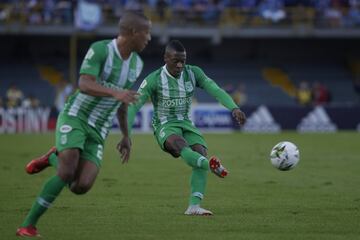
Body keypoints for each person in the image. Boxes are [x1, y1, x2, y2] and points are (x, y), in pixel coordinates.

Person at [16, 11, 151, 237]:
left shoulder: (136, 64)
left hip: (99, 129)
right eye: (146, 33)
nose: (149, 38)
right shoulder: (101, 50)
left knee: (81, 186)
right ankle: (28, 226)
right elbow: (85, 83)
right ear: (134, 32)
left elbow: (123, 102)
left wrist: (126, 136)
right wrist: (114, 93)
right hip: (76, 116)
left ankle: (52, 157)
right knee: (67, 171)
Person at [127, 40, 246, 216]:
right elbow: (134, 106)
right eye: (176, 60)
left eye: (183, 60)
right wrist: (125, 134)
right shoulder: (153, 79)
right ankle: (212, 166)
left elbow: (215, 89)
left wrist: (233, 107)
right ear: (166, 58)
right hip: (165, 125)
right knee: (179, 144)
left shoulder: (193, 73)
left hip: (186, 124)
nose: (180, 65)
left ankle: (194, 207)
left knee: (200, 152)